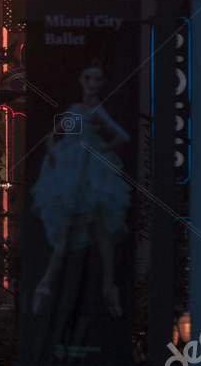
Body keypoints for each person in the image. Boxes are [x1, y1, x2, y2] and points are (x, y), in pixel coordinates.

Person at [30, 61, 131, 316]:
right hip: (71, 175)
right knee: (71, 236)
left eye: (98, 79)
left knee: (100, 232)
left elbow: (122, 136)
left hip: (88, 177)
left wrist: (99, 152)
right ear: (82, 81)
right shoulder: (77, 110)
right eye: (89, 78)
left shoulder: (96, 111)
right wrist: (55, 152)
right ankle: (47, 286)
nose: (93, 84)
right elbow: (53, 136)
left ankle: (107, 287)